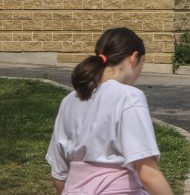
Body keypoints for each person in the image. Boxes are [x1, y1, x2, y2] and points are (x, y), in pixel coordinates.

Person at [46, 27, 173, 195]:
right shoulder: (128, 97)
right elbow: (148, 173)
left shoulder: (69, 100)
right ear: (134, 58)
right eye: (143, 64)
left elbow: (59, 177)